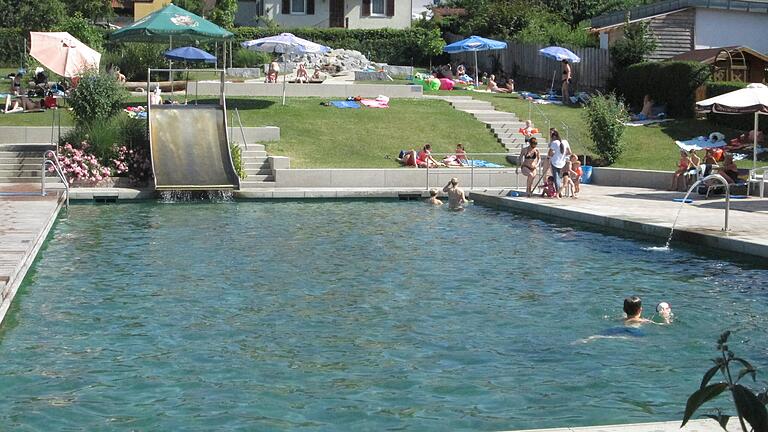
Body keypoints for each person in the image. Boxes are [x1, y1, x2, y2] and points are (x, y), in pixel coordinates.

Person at [547, 128, 571, 195]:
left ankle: (558, 193)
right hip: (562, 162)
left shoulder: (554, 143)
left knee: (556, 178)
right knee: (560, 178)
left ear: (554, 137)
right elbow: (569, 152)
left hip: (555, 162)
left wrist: (554, 154)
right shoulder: (565, 142)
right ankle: (560, 192)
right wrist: (562, 154)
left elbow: (549, 153)